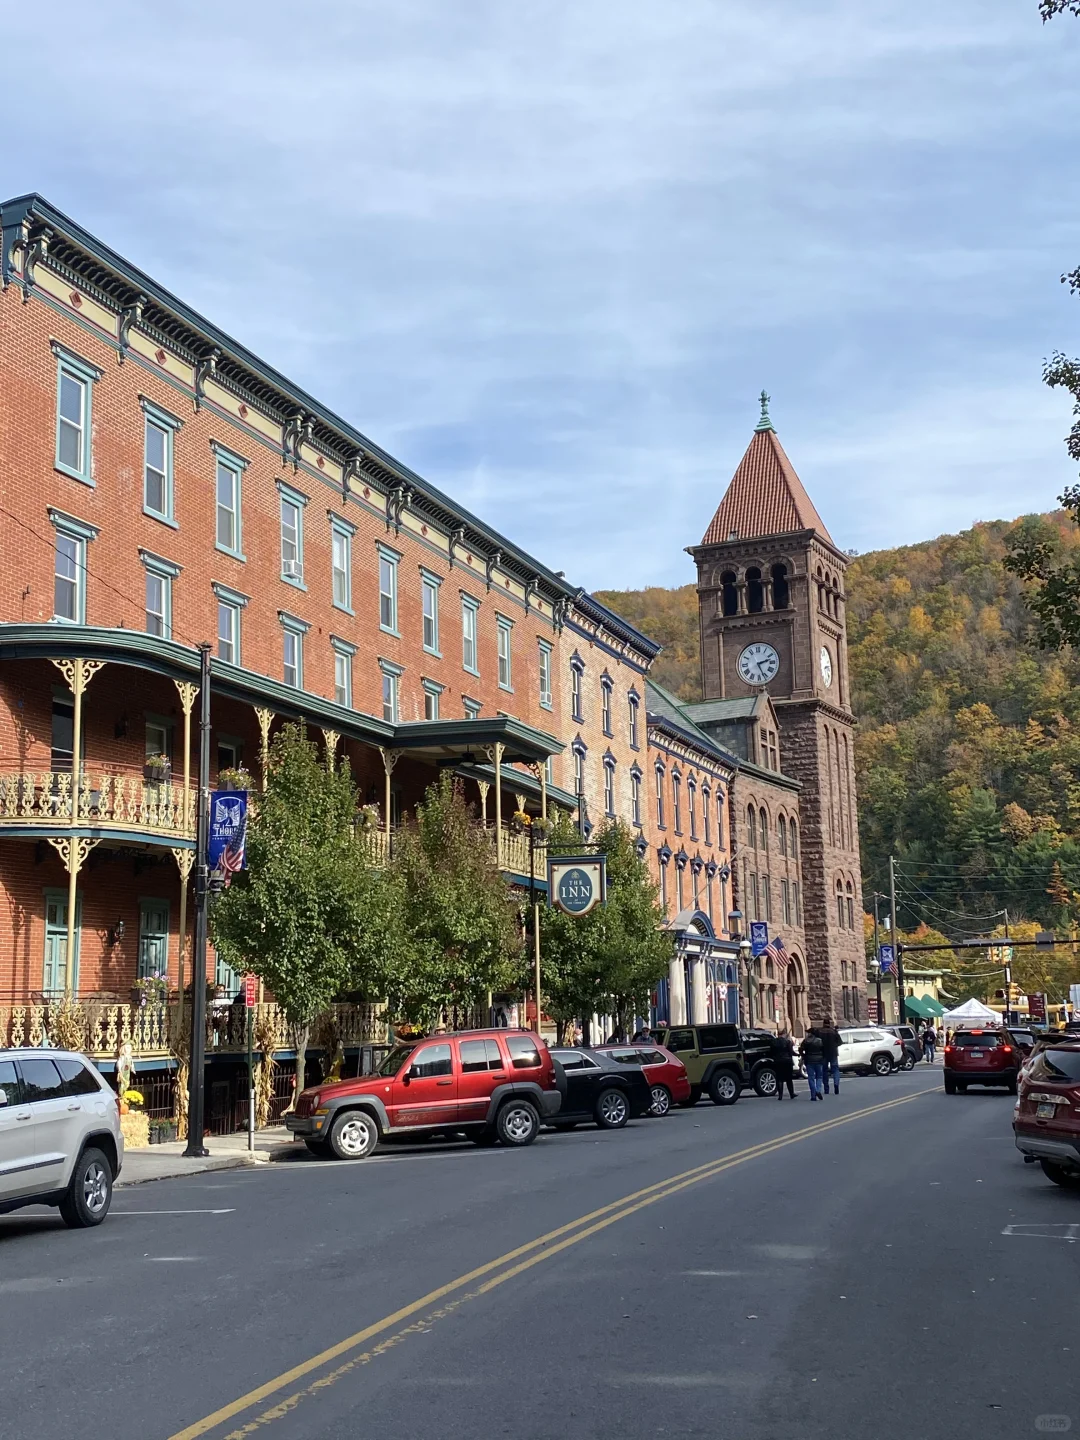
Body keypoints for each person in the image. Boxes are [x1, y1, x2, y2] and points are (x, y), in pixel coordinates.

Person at [800, 1027, 825, 1100]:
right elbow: (823, 1050)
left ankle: (813, 1095)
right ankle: (818, 1090)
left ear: (810, 1033)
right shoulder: (820, 1041)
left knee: (811, 1078)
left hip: (809, 1060)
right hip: (819, 1060)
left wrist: (804, 1056)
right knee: (819, 1077)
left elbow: (801, 1049)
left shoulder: (805, 1041)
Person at [771, 1029, 796, 1100]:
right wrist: (797, 1054)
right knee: (789, 1079)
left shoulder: (774, 1042)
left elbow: (772, 1051)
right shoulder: (787, 1042)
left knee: (779, 1079)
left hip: (778, 1061)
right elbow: (791, 1052)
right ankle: (791, 1094)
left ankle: (780, 1095)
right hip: (787, 1061)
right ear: (784, 1034)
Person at [819, 1018, 842, 1095]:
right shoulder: (834, 1032)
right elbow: (840, 1042)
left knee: (824, 1071)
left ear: (823, 1024)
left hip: (823, 1053)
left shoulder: (820, 1032)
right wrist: (834, 1046)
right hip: (833, 1053)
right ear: (829, 1024)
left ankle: (826, 1088)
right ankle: (836, 1084)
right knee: (835, 1070)